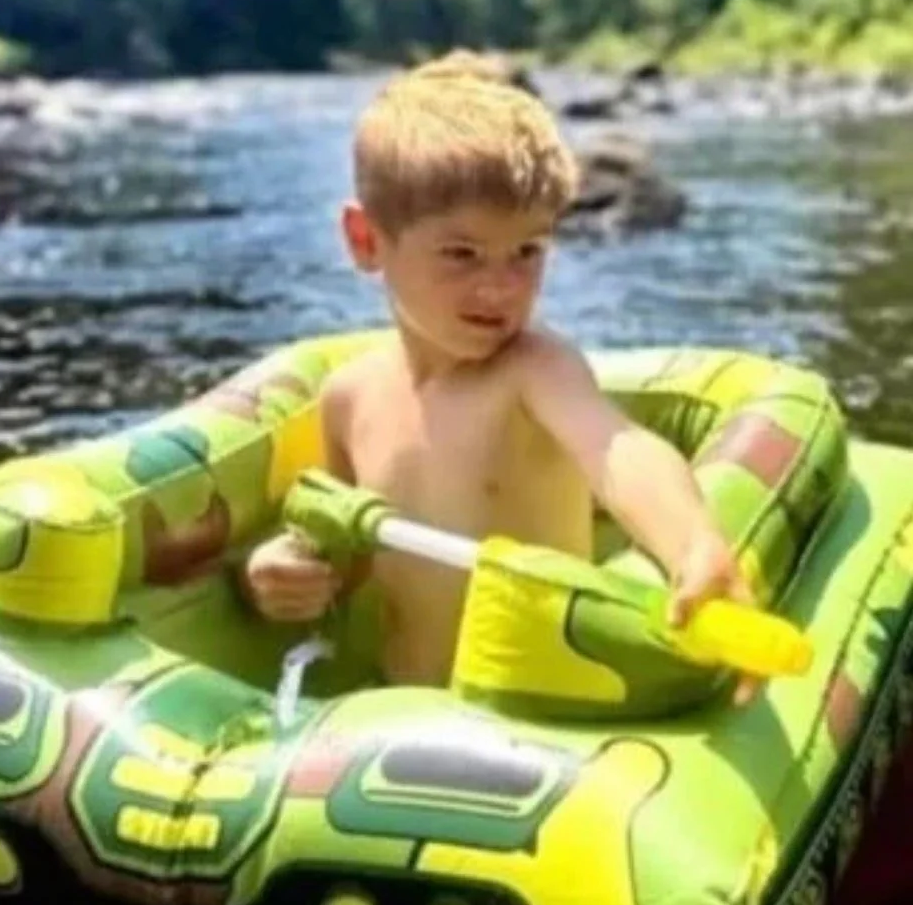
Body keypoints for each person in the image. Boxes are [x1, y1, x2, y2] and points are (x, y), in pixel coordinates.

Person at [241, 52, 758, 700]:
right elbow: (348, 558)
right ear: (366, 241)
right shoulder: (350, 399)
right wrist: (287, 570)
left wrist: (694, 545)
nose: (499, 286)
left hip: (534, 715)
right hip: (405, 717)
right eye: (461, 253)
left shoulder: (535, 370)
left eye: (528, 251)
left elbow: (618, 451)